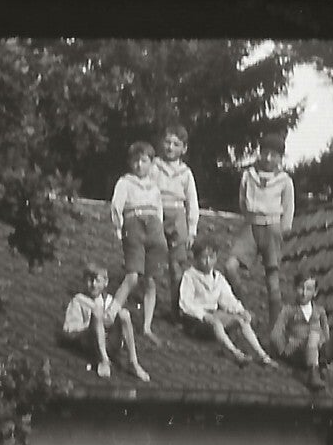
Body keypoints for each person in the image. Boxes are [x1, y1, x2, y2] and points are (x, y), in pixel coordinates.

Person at [223, 131, 293, 330]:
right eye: (265, 153)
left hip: (272, 229)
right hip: (251, 226)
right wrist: (250, 219)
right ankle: (244, 305)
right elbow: (242, 202)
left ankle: (274, 329)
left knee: (273, 281)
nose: (268, 158)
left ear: (280, 158)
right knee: (230, 266)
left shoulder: (285, 181)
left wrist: (282, 231)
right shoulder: (248, 175)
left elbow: (288, 209)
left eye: (274, 155)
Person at [179, 239, 276, 366]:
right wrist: (202, 315)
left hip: (215, 314)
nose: (208, 262)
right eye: (203, 258)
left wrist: (240, 310)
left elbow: (228, 299)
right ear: (196, 258)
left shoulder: (218, 277)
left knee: (241, 320)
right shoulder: (190, 276)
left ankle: (262, 355)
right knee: (216, 322)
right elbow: (186, 303)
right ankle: (235, 353)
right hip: (196, 320)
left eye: (211, 257)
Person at [108, 140, 168, 346]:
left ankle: (147, 326)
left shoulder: (154, 186)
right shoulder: (125, 182)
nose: (139, 165)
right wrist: (118, 228)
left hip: (154, 230)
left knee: (150, 280)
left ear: (151, 163)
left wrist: (158, 227)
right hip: (134, 226)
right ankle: (111, 312)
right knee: (133, 276)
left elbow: (159, 209)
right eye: (135, 161)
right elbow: (116, 207)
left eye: (144, 161)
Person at [270, 274, 333, 395]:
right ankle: (312, 375)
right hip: (299, 352)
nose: (304, 293)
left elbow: (326, 335)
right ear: (294, 289)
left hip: (318, 351)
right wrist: (284, 353)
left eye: (308, 289)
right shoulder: (288, 310)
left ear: (315, 292)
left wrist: (323, 358)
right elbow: (275, 334)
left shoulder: (319, 311)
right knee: (314, 334)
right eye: (300, 288)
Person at [59, 261, 151, 382]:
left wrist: (109, 322)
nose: (93, 284)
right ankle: (103, 359)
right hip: (91, 342)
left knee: (124, 314)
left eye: (97, 280)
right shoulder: (79, 300)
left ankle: (133, 362)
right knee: (97, 314)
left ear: (105, 282)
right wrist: (92, 324)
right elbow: (68, 330)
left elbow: (115, 319)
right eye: (89, 280)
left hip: (111, 341)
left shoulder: (109, 301)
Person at [152, 122, 200, 312]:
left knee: (176, 266)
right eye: (167, 142)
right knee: (153, 264)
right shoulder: (155, 166)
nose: (170, 147)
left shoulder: (186, 173)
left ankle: (177, 308)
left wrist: (192, 230)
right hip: (157, 213)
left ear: (184, 149)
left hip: (178, 216)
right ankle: (150, 306)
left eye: (176, 144)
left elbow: (192, 202)